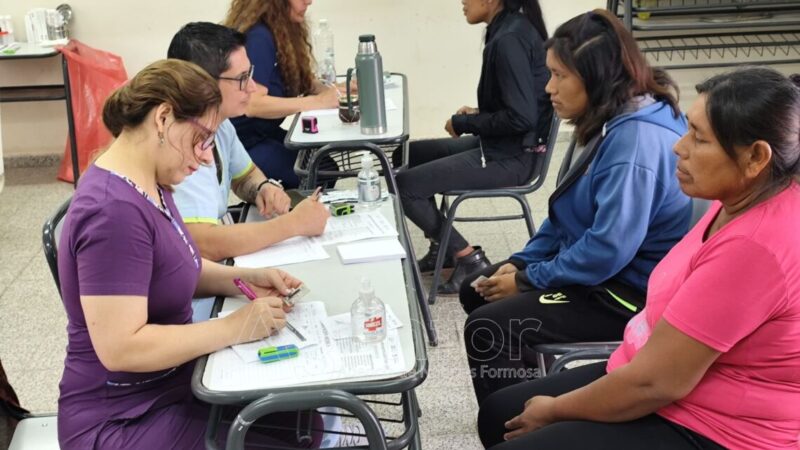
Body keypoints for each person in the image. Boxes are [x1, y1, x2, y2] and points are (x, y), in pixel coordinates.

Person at [477, 66, 800, 450]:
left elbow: (656, 382)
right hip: (656, 369)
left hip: (715, 426)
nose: (679, 147)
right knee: (499, 412)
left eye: (699, 138)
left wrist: (554, 410)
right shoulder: (737, 199)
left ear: (756, 157)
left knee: (517, 417)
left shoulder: (756, 246)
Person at [56, 59, 318, 449]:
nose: (207, 157)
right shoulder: (112, 212)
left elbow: (175, 268)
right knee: (291, 437)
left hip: (172, 382)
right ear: (163, 119)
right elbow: (121, 348)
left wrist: (243, 279)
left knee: (304, 422)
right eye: (202, 139)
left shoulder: (151, 182)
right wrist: (234, 327)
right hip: (121, 418)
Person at [460, 9, 692, 405]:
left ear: (596, 77)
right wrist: (521, 262)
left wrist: (529, 280)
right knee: (478, 290)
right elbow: (566, 213)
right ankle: (530, 396)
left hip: (629, 294)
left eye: (559, 75)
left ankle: (516, 420)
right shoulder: (611, 117)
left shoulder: (634, 142)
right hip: (606, 273)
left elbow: (606, 251)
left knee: (491, 326)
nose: (548, 87)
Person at [167, 22, 330, 321]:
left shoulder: (221, 124)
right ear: (202, 84)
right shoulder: (179, 146)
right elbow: (203, 244)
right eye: (242, 79)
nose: (253, 88)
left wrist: (262, 188)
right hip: (195, 306)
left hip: (217, 280)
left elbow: (245, 174)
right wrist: (293, 224)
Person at [393, 0, 553, 294]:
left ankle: (468, 259)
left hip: (515, 157)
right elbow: (520, 106)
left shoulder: (509, 39)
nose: (462, 2)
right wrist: (478, 114)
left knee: (405, 186)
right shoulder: (508, 28)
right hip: (503, 145)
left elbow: (521, 118)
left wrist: (466, 123)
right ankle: (443, 248)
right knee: (407, 155)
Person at [223, 0, 339, 189]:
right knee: (320, 172)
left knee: (324, 164)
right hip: (245, 141)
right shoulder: (259, 37)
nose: (309, 1)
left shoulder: (281, 31)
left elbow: (300, 80)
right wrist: (317, 101)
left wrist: (335, 90)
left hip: (264, 132)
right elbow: (253, 104)